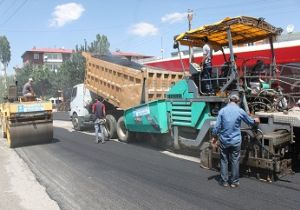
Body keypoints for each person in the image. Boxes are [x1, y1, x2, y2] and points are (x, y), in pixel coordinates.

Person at [211, 93, 260, 188]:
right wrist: (256, 121)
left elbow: (217, 127)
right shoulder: (240, 111)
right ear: (238, 102)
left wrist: (214, 136)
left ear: (229, 100)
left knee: (224, 160)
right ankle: (234, 182)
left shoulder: (222, 111)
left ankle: (224, 181)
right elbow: (250, 122)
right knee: (235, 160)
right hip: (236, 141)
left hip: (224, 140)